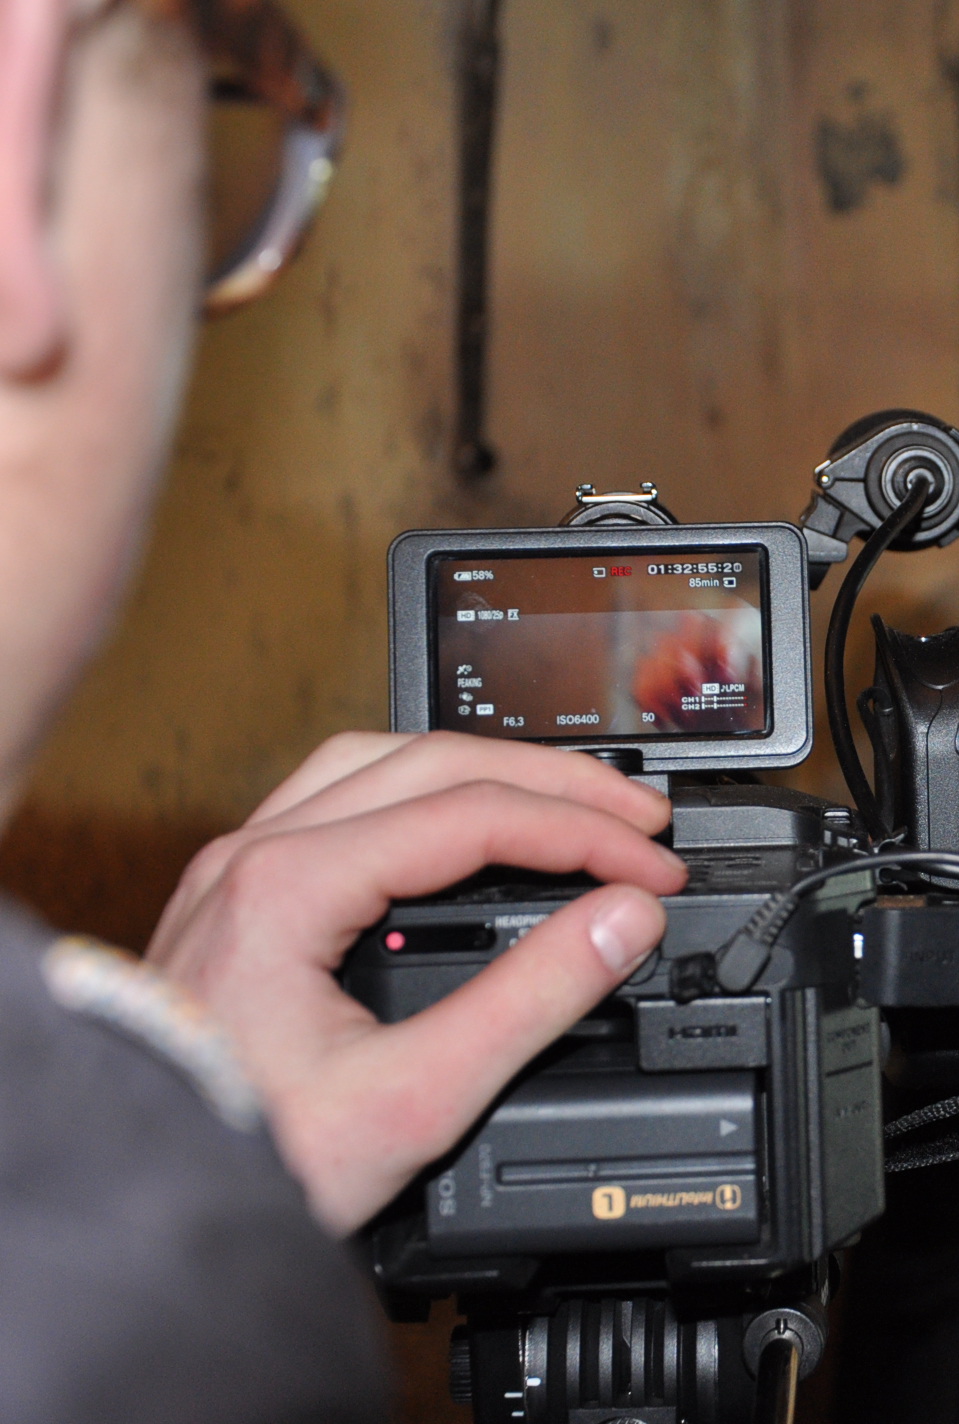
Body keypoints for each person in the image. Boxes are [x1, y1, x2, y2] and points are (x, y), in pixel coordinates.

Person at [0, 2, 686, 1415]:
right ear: (24, 114)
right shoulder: (138, 1312)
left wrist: (195, 1129)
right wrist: (180, 1230)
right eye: (236, 86)